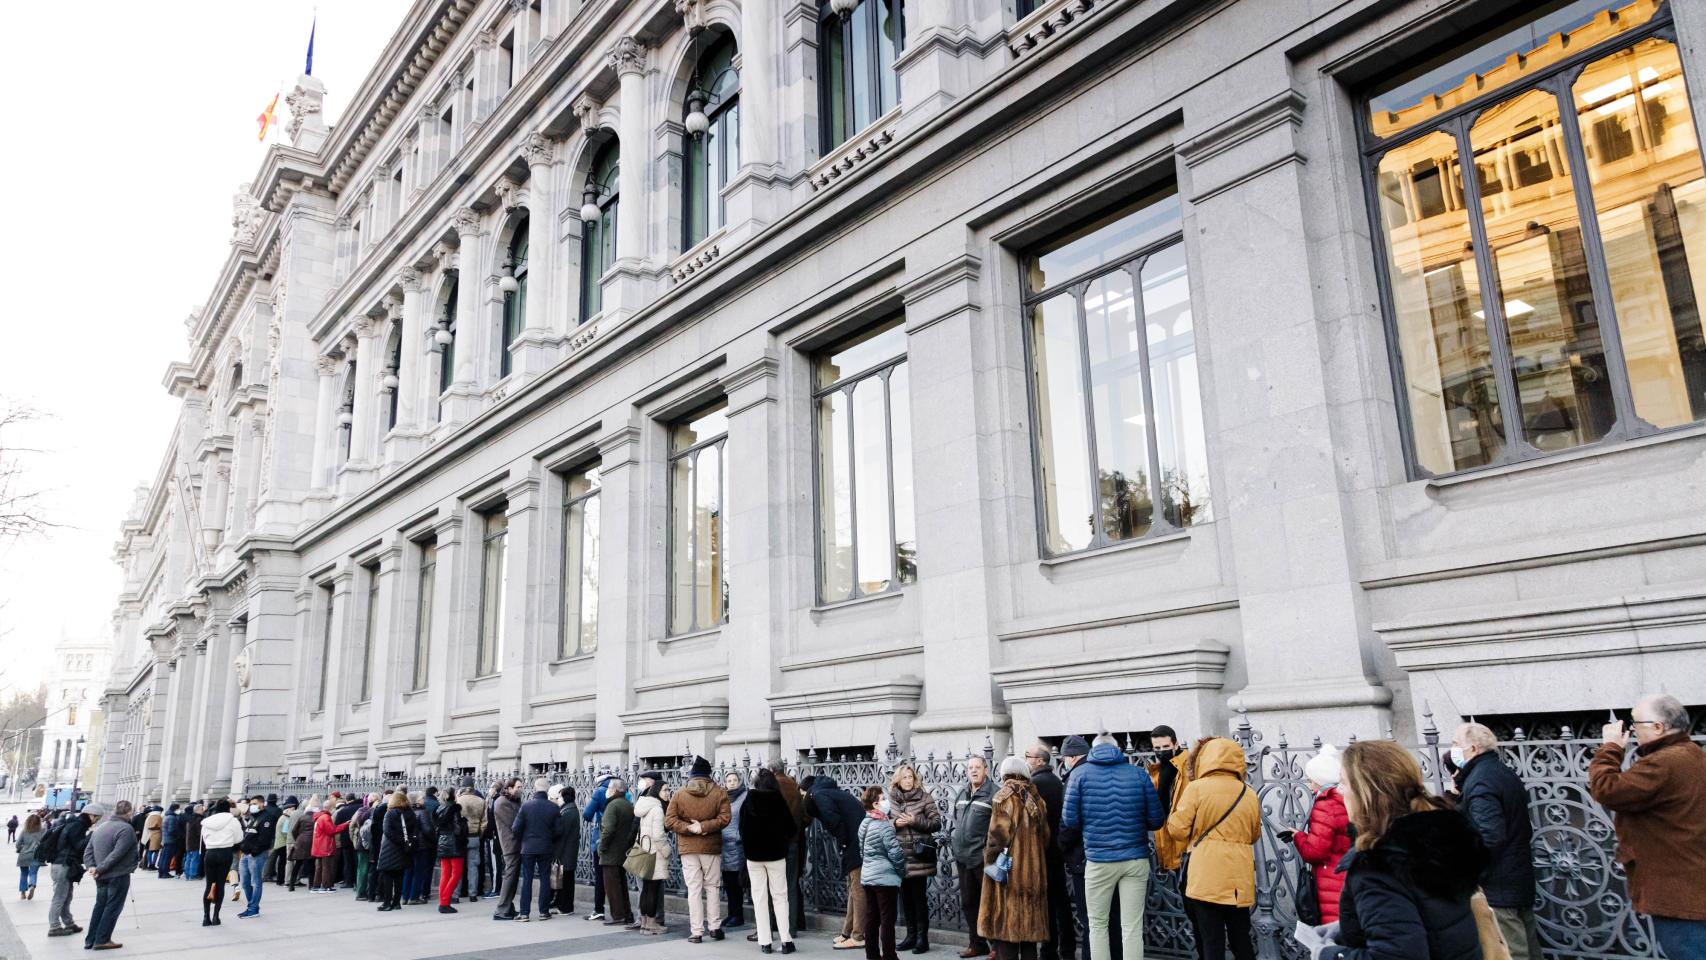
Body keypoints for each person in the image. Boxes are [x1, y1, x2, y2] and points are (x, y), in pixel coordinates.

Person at [1315, 740, 1488, 960]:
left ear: (1365, 792)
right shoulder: (1437, 840)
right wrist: (1356, 922)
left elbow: (1396, 955)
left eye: (1343, 783)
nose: (1339, 791)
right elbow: (1429, 915)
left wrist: (1329, 955)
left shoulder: (1380, 865)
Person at [1590, 694, 1706, 959]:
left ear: (1658, 727)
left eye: (1635, 723)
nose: (1631, 730)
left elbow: (1606, 789)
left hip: (1679, 896)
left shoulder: (1665, 762)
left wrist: (1610, 747)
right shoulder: (1693, 755)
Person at [1062, 733, 1165, 960]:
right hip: (1135, 857)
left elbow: (1070, 820)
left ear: (1092, 750)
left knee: (1098, 925)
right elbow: (1157, 820)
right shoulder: (1138, 774)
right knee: (1132, 926)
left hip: (1099, 860)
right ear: (1118, 748)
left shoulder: (1079, 775)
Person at [1163, 737, 1260, 960]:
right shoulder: (1248, 793)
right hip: (1238, 879)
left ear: (1204, 759)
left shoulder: (1196, 788)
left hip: (1205, 877)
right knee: (1241, 940)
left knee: (1211, 942)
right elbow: (1254, 835)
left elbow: (1177, 830)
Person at [1449, 723, 1539, 959]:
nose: (1452, 749)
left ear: (1474, 748)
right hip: (1515, 875)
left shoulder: (1481, 781)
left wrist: (1470, 872)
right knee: (1527, 944)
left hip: (1499, 882)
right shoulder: (1499, 772)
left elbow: (1490, 836)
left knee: (1511, 949)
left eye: (1456, 744)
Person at [980, 756, 1051, 960]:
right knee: (1029, 936)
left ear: (1004, 773)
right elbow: (1046, 837)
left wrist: (989, 861)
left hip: (1009, 874)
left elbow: (997, 838)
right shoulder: (1037, 800)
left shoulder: (1003, 798)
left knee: (1007, 934)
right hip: (1034, 875)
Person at [666, 755, 732, 943]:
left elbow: (669, 820)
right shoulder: (719, 792)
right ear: (708, 775)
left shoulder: (680, 793)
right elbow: (725, 818)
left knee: (693, 889)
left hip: (688, 848)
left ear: (692, 775)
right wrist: (703, 827)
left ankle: (696, 931)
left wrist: (688, 828)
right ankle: (714, 927)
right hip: (710, 847)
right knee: (712, 887)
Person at [1287, 744, 1350, 925]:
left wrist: (1298, 837)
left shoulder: (1326, 803)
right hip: (1347, 875)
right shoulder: (1346, 799)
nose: (1311, 787)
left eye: (1312, 780)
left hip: (1331, 881)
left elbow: (1315, 852)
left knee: (1334, 935)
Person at [742, 766, 799, 954]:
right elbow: (791, 829)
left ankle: (765, 942)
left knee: (759, 898)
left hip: (754, 857)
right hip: (775, 855)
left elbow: (741, 828)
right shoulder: (778, 800)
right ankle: (785, 940)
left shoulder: (748, 800)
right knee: (780, 897)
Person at [888, 762, 943, 954]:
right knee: (906, 900)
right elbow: (882, 822)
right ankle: (910, 936)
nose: (908, 781)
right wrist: (894, 822)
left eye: (911, 777)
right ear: (898, 780)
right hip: (899, 857)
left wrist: (914, 820)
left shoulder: (925, 798)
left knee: (919, 899)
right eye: (904, 777)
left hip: (918, 857)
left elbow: (936, 823)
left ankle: (922, 939)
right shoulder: (892, 800)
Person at [812, 772, 869, 952]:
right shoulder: (838, 793)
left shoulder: (819, 795)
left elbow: (832, 819)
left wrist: (843, 841)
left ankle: (858, 936)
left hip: (855, 844)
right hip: (857, 842)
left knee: (857, 890)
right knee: (853, 888)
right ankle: (848, 931)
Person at [1024, 743, 1068, 960]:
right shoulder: (1056, 781)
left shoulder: (1035, 784)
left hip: (1043, 852)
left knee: (1047, 904)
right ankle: (1067, 949)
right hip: (1058, 850)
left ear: (1039, 761)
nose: (1025, 759)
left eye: (1027, 755)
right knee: (1062, 902)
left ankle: (1049, 951)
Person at [953, 756, 998, 959]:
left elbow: (998, 827)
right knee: (969, 903)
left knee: (990, 904)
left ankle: (997, 946)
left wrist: (988, 851)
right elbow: (956, 819)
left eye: (977, 767)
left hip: (982, 859)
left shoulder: (993, 793)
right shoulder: (963, 791)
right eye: (970, 767)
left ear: (986, 770)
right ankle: (977, 944)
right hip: (963, 857)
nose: (973, 771)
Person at [82, 801, 138, 951]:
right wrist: (99, 869)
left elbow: (88, 851)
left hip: (101, 875)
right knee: (112, 907)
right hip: (117, 874)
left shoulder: (101, 827)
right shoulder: (126, 829)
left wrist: (92, 867)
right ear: (129, 813)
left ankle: (91, 939)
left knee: (100, 906)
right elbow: (117, 855)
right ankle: (102, 939)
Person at [861, 785, 908, 960]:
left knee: (872, 918)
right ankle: (889, 955)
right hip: (885, 879)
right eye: (883, 799)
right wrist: (901, 871)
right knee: (887, 920)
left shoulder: (864, 823)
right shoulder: (884, 825)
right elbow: (895, 853)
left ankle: (872, 955)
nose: (886, 802)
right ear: (875, 804)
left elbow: (862, 851)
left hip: (868, 877)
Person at [513, 777, 563, 922]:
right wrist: (548, 837)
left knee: (527, 879)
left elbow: (515, 828)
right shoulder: (553, 807)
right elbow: (559, 830)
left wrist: (524, 839)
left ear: (535, 788)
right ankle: (543, 911)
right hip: (546, 847)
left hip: (528, 847)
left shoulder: (526, 806)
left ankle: (524, 913)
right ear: (547, 789)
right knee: (545, 878)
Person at [773, 759, 810, 942]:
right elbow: (806, 818)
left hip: (774, 843)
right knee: (791, 884)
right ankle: (792, 927)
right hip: (793, 841)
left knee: (773, 885)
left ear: (771, 770)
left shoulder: (770, 786)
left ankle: (774, 925)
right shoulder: (794, 786)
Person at [632, 773, 671, 934]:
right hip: (655, 854)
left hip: (645, 851)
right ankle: (651, 924)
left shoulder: (645, 806)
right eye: (664, 790)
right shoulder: (657, 809)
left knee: (646, 890)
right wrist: (666, 850)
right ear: (656, 791)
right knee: (653, 890)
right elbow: (658, 835)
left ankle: (645, 923)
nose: (667, 793)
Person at [597, 777, 638, 928]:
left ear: (613, 790)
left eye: (608, 788)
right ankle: (627, 915)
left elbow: (608, 829)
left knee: (612, 886)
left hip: (611, 853)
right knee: (621, 884)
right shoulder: (627, 804)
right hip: (623, 851)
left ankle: (618, 915)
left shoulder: (612, 806)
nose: (607, 791)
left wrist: (602, 847)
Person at [46, 805, 91, 937]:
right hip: (63, 865)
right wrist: (91, 836)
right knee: (60, 897)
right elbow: (78, 846)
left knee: (66, 896)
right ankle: (54, 927)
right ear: (91, 815)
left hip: (62, 864)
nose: (97, 821)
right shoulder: (77, 826)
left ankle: (69, 923)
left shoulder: (73, 824)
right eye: (97, 817)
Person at [198, 798, 243, 926]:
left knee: (209, 885)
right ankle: (216, 916)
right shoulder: (232, 821)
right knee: (220, 884)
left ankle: (206, 917)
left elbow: (204, 839)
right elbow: (239, 838)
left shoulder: (207, 822)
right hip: (225, 852)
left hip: (210, 852)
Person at [237, 794, 280, 918]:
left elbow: (264, 839)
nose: (252, 806)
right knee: (245, 882)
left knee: (255, 882)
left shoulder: (267, 818)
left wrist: (254, 851)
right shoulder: (253, 817)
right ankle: (252, 905)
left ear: (262, 804)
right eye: (250, 804)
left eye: (254, 804)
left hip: (256, 854)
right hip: (246, 854)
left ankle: (253, 908)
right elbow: (248, 834)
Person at [582, 767, 616, 919]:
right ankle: (618, 911)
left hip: (601, 837)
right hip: (619, 838)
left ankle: (598, 909)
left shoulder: (599, 791)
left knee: (600, 875)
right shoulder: (623, 789)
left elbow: (587, 814)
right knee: (617, 876)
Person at [377, 790, 417, 912]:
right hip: (404, 849)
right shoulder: (411, 813)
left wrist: (399, 840)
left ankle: (387, 902)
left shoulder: (390, 813)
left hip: (390, 848)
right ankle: (396, 903)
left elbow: (387, 831)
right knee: (399, 876)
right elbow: (414, 831)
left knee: (388, 876)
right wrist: (406, 842)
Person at [491, 777, 522, 920]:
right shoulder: (502, 802)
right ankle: (501, 909)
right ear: (509, 788)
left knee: (514, 877)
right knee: (510, 876)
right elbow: (514, 822)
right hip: (510, 844)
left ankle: (508, 907)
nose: (520, 789)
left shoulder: (512, 801)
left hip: (516, 843)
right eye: (518, 787)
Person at [722, 771, 750, 929]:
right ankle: (731, 913)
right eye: (729, 780)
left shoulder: (744, 797)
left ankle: (738, 915)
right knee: (727, 882)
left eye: (734, 780)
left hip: (738, 845)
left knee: (736, 882)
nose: (731, 783)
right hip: (723, 845)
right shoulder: (723, 797)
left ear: (739, 781)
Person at [435, 783, 469, 914]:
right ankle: (444, 902)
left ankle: (442, 901)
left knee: (445, 874)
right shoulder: (454, 809)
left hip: (442, 842)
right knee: (456, 874)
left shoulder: (439, 809)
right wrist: (464, 822)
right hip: (454, 843)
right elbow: (458, 829)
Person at [549, 784, 580, 916]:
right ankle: (563, 905)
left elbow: (561, 834)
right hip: (568, 851)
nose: (558, 799)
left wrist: (556, 853)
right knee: (565, 880)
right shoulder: (570, 809)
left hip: (566, 852)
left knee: (566, 881)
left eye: (560, 797)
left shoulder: (567, 812)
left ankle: (566, 907)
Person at [311, 795, 349, 892]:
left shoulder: (319, 817)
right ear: (330, 808)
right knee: (326, 867)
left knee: (319, 867)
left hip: (318, 846)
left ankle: (316, 886)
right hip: (325, 846)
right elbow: (332, 830)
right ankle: (326, 886)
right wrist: (345, 824)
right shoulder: (325, 817)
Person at [457, 783, 488, 903]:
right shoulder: (481, 801)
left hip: (460, 838)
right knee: (473, 866)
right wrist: (479, 833)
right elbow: (484, 822)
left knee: (458, 866)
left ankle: (456, 894)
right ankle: (473, 894)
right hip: (474, 836)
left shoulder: (458, 800)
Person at [287, 797, 316, 891]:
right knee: (311, 865)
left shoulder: (302, 817)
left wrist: (298, 838)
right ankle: (311, 885)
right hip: (311, 842)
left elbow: (294, 830)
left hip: (300, 842)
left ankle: (291, 885)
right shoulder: (316, 818)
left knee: (297, 864)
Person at [15, 812, 43, 899]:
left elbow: (18, 844)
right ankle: (32, 885)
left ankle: (23, 893)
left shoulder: (24, 831)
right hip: (36, 855)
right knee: (33, 873)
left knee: (23, 874)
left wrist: (21, 848)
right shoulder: (43, 831)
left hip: (24, 855)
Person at [271, 797, 296, 886]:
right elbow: (285, 832)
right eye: (292, 809)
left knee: (281, 862)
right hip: (283, 843)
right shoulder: (286, 819)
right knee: (283, 862)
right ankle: (281, 879)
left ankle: (279, 880)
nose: (293, 811)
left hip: (279, 843)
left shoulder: (282, 817)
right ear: (288, 810)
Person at [181, 802, 204, 881]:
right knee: (195, 859)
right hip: (196, 842)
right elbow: (200, 832)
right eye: (201, 809)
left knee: (188, 858)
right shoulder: (199, 819)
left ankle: (187, 874)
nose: (203, 811)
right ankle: (193, 875)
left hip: (189, 842)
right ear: (197, 810)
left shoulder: (190, 818)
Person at [158, 804, 181, 879]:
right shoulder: (172, 817)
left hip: (166, 839)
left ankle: (161, 872)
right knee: (167, 857)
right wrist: (178, 836)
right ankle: (165, 872)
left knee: (164, 856)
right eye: (179, 808)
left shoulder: (167, 816)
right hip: (171, 840)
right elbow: (171, 830)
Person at [142, 805, 162, 870]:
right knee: (155, 851)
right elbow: (159, 826)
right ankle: (152, 864)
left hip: (148, 836)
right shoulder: (157, 816)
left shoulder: (149, 816)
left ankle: (149, 864)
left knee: (149, 851)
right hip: (155, 836)